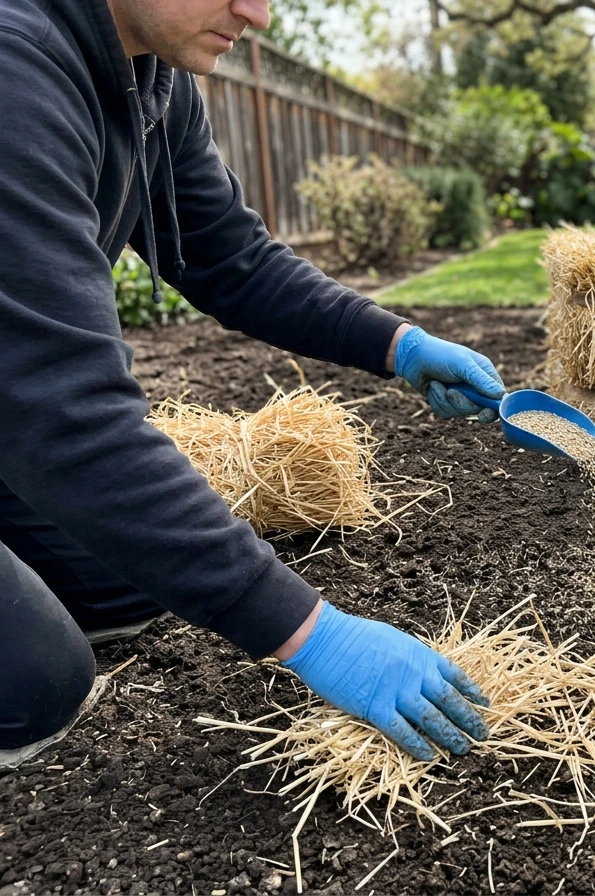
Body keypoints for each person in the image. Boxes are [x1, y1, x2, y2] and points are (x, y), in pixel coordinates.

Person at [0, 0, 505, 768]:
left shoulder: (149, 73)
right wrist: (311, 634)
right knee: (35, 685)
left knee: (129, 583)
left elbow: (229, 256)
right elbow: (63, 412)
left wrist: (398, 346)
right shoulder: (15, 73)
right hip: (23, 411)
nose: (259, 16)